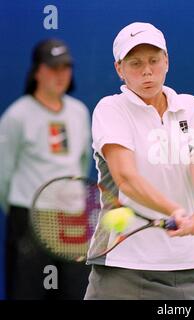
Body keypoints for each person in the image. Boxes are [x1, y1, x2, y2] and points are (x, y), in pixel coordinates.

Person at [85, 22, 194, 300]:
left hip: (190, 268)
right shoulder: (110, 109)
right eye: (135, 63)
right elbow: (126, 178)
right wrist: (174, 210)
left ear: (167, 61)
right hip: (121, 269)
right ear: (119, 69)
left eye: (153, 60)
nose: (147, 71)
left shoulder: (190, 106)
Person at [0, 39, 92, 299]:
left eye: (66, 67)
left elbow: (82, 164)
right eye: (53, 67)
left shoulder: (79, 112)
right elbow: (2, 173)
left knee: (77, 294)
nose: (60, 74)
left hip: (73, 223)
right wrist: (22, 216)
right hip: (29, 220)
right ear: (37, 71)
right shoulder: (16, 116)